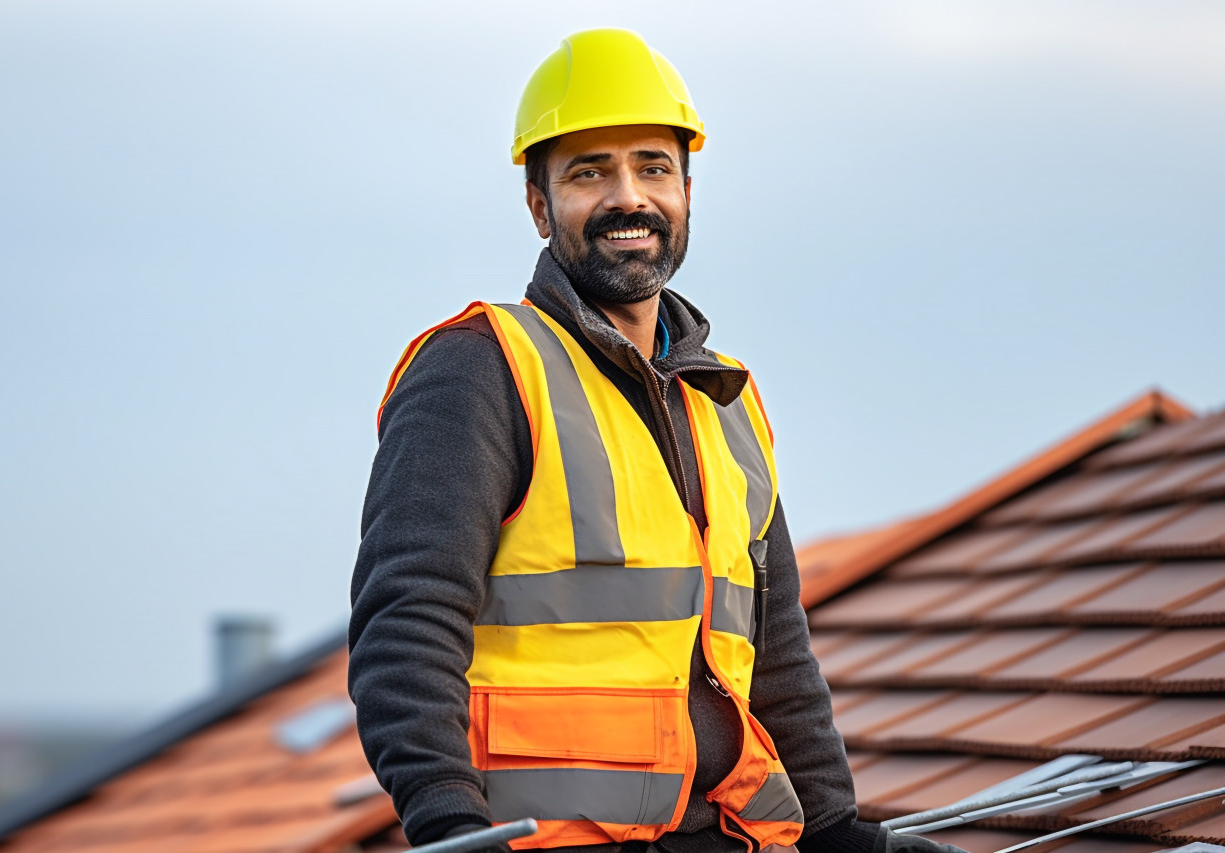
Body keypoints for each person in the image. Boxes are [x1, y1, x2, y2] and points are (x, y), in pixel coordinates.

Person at [349, 28, 965, 853]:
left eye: (653, 167)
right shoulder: (482, 369)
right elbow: (406, 628)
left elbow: (777, 652)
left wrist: (831, 829)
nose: (628, 197)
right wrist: (452, 829)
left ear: (685, 191)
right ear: (539, 206)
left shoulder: (727, 400)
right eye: (589, 172)